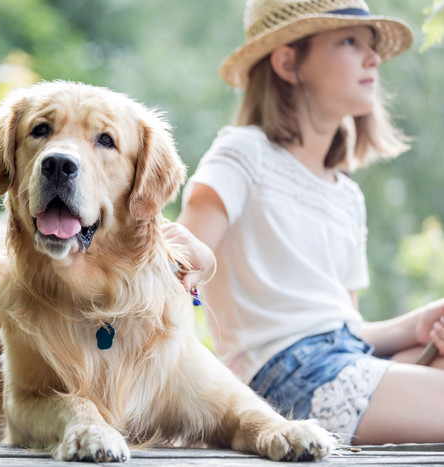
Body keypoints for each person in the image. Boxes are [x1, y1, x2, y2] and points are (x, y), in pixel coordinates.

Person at [175, 0, 444, 445]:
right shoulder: (244, 153)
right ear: (287, 61)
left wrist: (416, 323)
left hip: (341, 359)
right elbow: (178, 262)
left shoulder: (347, 196)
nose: (373, 58)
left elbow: (344, 327)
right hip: (280, 379)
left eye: (372, 45)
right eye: (349, 41)